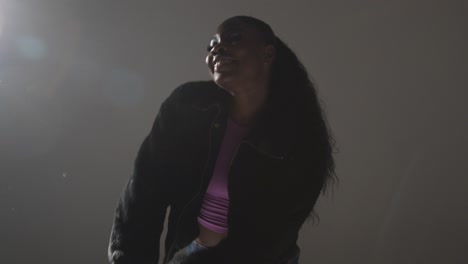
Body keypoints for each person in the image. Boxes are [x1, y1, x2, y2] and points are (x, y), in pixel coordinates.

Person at [107, 15, 337, 264]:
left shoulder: (297, 135)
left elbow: (270, 235)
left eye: (233, 38)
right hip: (189, 253)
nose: (216, 48)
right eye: (211, 45)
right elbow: (143, 193)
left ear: (267, 54)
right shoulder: (186, 106)